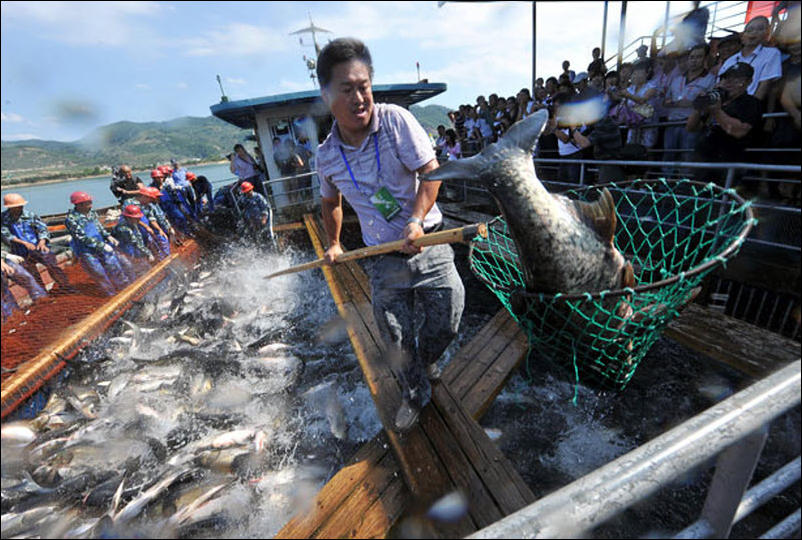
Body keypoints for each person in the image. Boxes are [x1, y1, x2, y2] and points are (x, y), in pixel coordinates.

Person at [315, 37, 464, 432]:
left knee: (448, 319)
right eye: (346, 89)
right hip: (382, 256)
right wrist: (334, 243)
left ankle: (425, 362)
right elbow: (331, 203)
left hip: (428, 240)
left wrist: (415, 218)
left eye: (363, 86)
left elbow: (431, 172)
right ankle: (414, 393)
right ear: (326, 95)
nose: (359, 98)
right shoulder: (326, 156)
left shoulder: (396, 120)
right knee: (395, 339)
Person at [688, 62, 763, 186]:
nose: (729, 83)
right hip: (704, 163)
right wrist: (699, 106)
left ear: (748, 82)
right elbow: (690, 127)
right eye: (727, 78)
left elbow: (739, 131)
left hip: (729, 164)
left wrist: (717, 111)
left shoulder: (751, 103)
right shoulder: (716, 101)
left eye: (737, 79)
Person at [65, 191, 134, 296]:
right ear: (79, 204)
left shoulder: (91, 213)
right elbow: (81, 237)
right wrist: (102, 245)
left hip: (101, 245)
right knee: (98, 273)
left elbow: (99, 227)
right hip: (86, 250)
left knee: (114, 266)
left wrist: (108, 236)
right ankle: (110, 293)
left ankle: (124, 287)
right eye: (88, 203)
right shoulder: (71, 219)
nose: (91, 205)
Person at [1, 193, 74, 294]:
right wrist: (24, 243)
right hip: (19, 251)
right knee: (32, 273)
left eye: (21, 206)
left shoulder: (30, 215)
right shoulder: (3, 219)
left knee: (52, 265)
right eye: (16, 207)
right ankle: (42, 294)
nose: (19, 208)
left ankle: (65, 287)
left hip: (37, 247)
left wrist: (42, 241)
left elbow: (42, 228)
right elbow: (6, 235)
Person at [663, 44, 716, 168]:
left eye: (698, 57)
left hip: (692, 124)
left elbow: (711, 103)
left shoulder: (710, 79)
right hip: (672, 123)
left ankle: (685, 180)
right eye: (692, 57)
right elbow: (665, 101)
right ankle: (665, 179)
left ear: (705, 59)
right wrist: (673, 103)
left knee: (688, 157)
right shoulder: (677, 79)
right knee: (668, 157)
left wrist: (692, 103)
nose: (694, 60)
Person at [718, 16, 782, 100]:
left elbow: (764, 85)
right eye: (750, 30)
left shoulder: (771, 53)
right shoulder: (731, 60)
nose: (754, 33)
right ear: (743, 35)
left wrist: (752, 105)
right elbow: (719, 84)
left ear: (766, 34)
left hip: (749, 102)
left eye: (760, 29)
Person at [1, 250, 47, 319]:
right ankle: (13, 315)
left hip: (3, 259)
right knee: (3, 292)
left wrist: (4, 257)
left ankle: (42, 300)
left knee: (25, 277)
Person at [112, 205, 155, 275]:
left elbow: (139, 238)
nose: (139, 220)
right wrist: (148, 253)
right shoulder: (123, 229)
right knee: (131, 268)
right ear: (128, 218)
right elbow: (136, 243)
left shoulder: (133, 223)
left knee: (144, 265)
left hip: (131, 247)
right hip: (121, 250)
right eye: (136, 218)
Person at [238, 181, 275, 245]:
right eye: (246, 192)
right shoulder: (244, 199)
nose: (248, 193)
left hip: (265, 216)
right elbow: (247, 211)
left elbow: (264, 208)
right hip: (254, 218)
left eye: (249, 191)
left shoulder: (258, 197)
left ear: (251, 189)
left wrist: (264, 219)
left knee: (269, 231)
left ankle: (273, 245)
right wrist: (252, 221)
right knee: (256, 234)